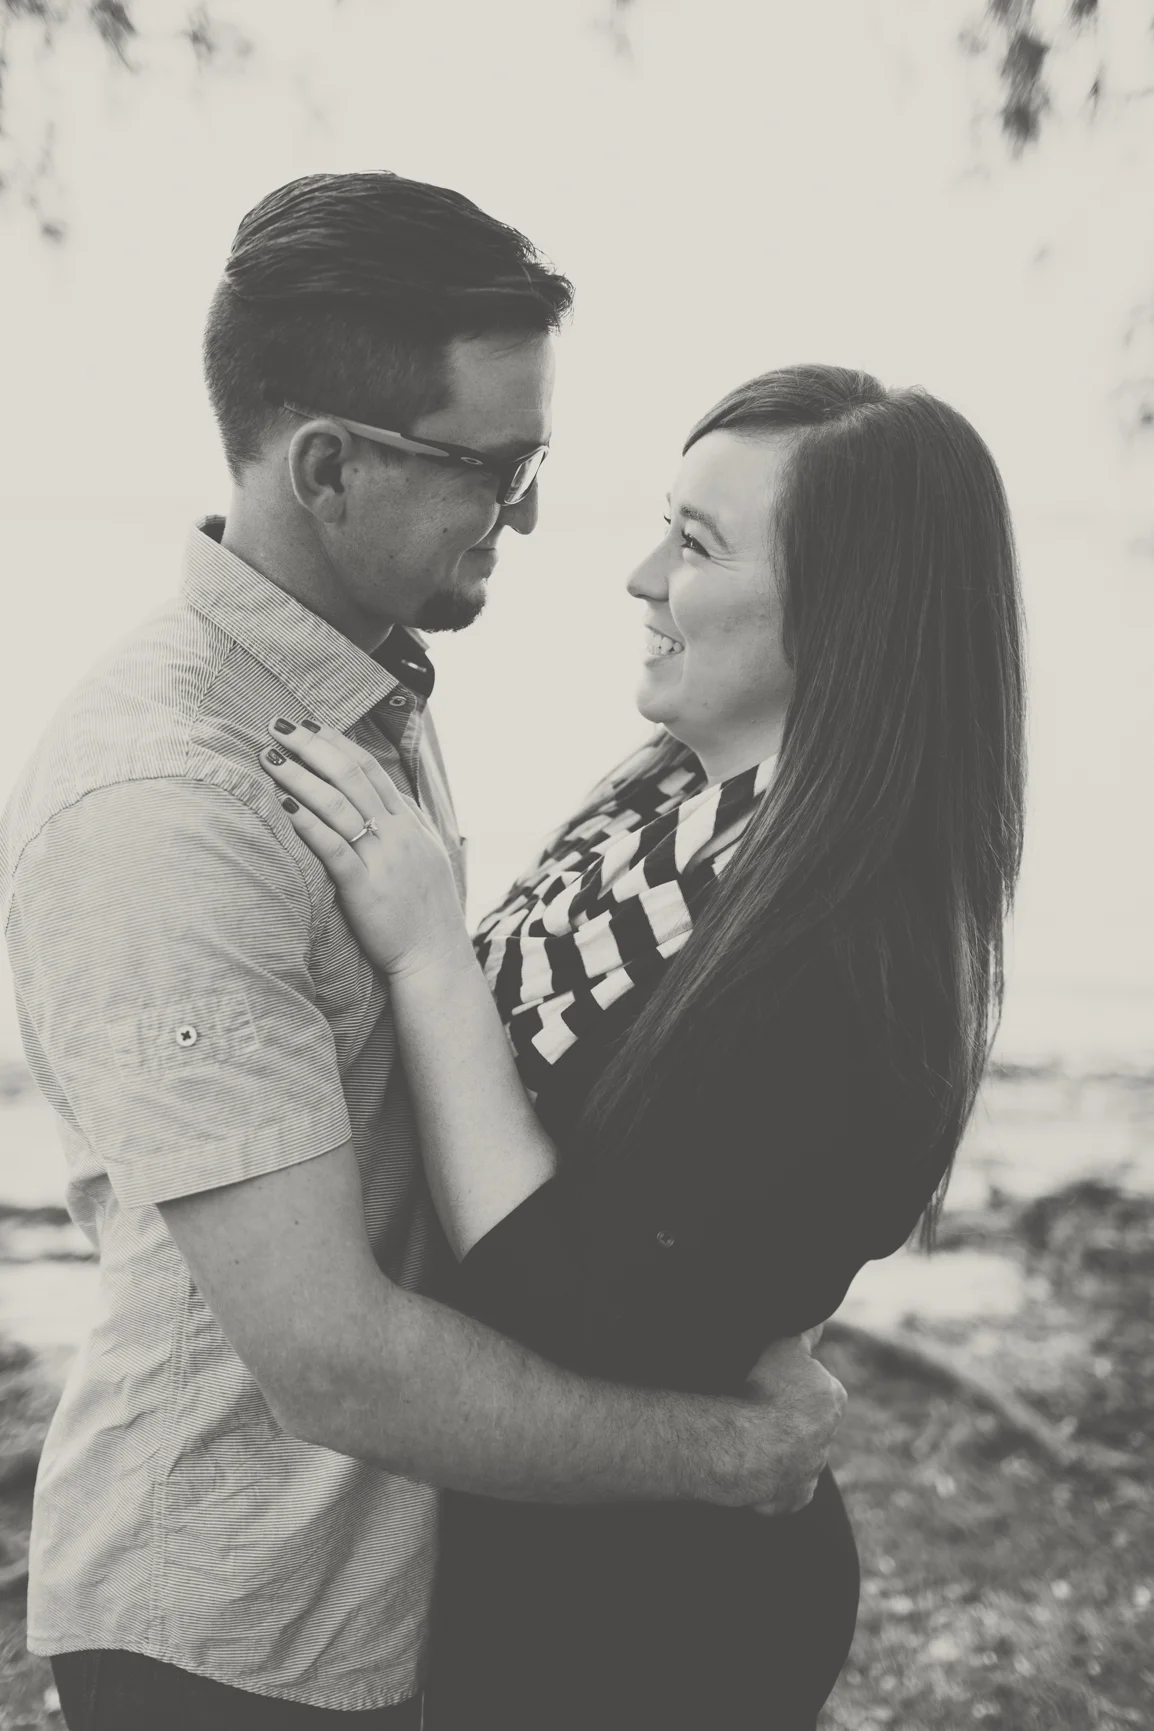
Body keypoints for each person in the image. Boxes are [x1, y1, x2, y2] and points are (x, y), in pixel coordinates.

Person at [0, 175, 846, 1729]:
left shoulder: (360, 686)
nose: (524, 515)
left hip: (400, 1593)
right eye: (490, 468)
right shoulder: (168, 802)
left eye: (535, 463)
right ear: (327, 466)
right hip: (239, 1630)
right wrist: (728, 1450)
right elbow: (330, 1361)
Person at [259, 362, 1028, 1730]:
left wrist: (429, 951)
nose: (640, 576)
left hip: (656, 1618)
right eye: (665, 526)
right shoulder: (669, 822)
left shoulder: (850, 960)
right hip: (547, 1559)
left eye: (699, 545)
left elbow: (576, 1301)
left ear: (847, 612)